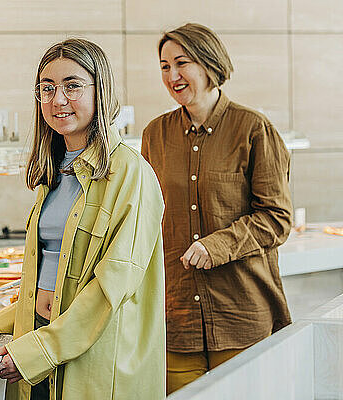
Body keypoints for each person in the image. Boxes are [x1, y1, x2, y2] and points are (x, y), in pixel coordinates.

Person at [0, 38, 165, 400]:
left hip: (91, 354)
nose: (58, 100)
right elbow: (49, 272)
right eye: (47, 89)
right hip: (38, 338)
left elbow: (109, 288)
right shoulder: (55, 171)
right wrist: (4, 320)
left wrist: (39, 350)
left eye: (72, 86)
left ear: (101, 92)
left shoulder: (131, 174)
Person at [140, 23, 293, 395]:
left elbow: (276, 217)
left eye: (182, 62)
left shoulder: (253, 129)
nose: (172, 75)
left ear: (209, 62)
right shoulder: (153, 135)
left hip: (240, 313)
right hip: (175, 321)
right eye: (164, 66)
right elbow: (144, 218)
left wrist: (216, 246)